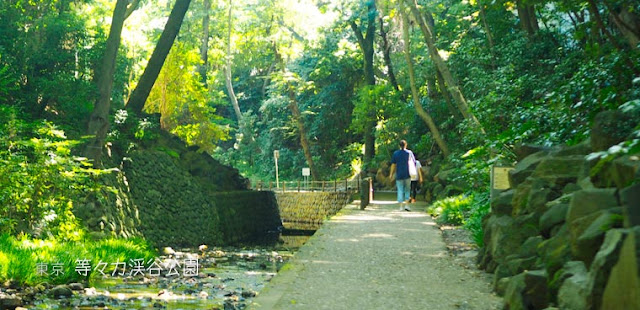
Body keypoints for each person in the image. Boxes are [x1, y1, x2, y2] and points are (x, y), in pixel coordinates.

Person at [389, 140, 413, 211]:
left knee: (400, 190)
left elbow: (393, 165)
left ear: (399, 145)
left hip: (399, 174)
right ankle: (407, 205)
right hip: (407, 173)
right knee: (407, 189)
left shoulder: (396, 153)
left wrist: (391, 174)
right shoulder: (409, 153)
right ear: (406, 145)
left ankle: (401, 206)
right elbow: (413, 163)